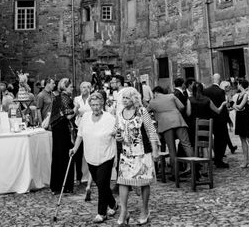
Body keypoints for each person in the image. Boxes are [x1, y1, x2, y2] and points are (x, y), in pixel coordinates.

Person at [69, 92, 117, 223]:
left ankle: (102, 213)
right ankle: (113, 204)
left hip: (106, 155)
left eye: (98, 104)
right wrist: (75, 148)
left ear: (102, 104)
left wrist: (116, 134)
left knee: (102, 183)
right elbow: (80, 135)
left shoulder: (109, 118)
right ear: (90, 105)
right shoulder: (85, 117)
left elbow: (117, 134)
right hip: (90, 155)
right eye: (93, 104)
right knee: (101, 184)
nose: (96, 107)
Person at [115, 87, 159, 226]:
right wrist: (118, 136)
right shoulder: (120, 113)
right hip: (126, 153)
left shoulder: (142, 111)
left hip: (141, 152)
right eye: (123, 98)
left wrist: (155, 150)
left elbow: (151, 130)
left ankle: (145, 210)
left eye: (127, 98)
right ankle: (124, 211)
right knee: (122, 181)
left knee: (143, 182)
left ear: (134, 99)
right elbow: (118, 130)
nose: (124, 100)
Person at [148, 86, 194, 179]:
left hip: (165, 125)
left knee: (171, 149)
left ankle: (175, 174)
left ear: (155, 93)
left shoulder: (152, 102)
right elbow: (181, 107)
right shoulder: (171, 96)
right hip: (178, 121)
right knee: (187, 145)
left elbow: (146, 111)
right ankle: (194, 169)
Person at [49, 78, 75, 195]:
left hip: (57, 129)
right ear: (65, 87)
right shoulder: (65, 98)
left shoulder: (57, 97)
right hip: (63, 130)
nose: (72, 88)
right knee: (65, 156)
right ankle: (66, 185)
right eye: (70, 86)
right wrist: (77, 108)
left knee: (57, 156)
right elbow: (68, 115)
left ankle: (56, 185)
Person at [205, 73, 230, 168]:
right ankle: (219, 160)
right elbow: (223, 106)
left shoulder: (206, 90)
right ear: (219, 80)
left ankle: (216, 158)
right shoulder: (220, 91)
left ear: (212, 79)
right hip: (220, 119)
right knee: (221, 140)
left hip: (210, 118)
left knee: (215, 139)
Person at [73, 81, 92, 194]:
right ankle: (79, 177)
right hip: (79, 127)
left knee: (89, 152)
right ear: (80, 89)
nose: (85, 89)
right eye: (83, 87)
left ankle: (91, 177)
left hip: (90, 128)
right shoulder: (77, 99)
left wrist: (83, 114)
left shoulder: (92, 98)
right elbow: (75, 113)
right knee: (78, 153)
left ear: (90, 89)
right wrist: (78, 112)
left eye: (87, 87)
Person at [234, 79, 249, 169]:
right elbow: (236, 107)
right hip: (239, 118)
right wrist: (236, 107)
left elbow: (240, 106)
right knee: (242, 139)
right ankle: (245, 160)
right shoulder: (239, 95)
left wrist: (235, 106)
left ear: (240, 85)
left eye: (238, 84)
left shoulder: (246, 94)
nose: (237, 86)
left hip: (245, 118)